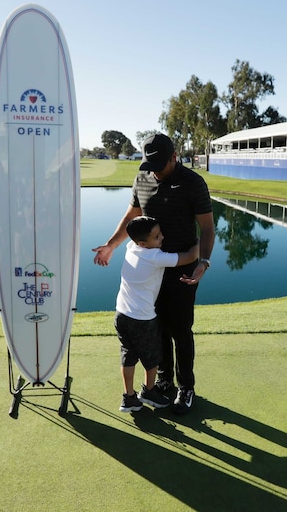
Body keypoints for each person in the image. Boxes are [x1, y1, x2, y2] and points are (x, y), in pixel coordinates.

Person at [93, 133, 215, 414]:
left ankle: (186, 387)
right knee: (156, 327)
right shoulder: (143, 179)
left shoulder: (193, 183)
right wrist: (111, 246)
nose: (156, 171)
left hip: (183, 267)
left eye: (161, 164)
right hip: (151, 271)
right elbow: (131, 219)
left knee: (180, 329)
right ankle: (164, 381)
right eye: (151, 164)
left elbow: (207, 228)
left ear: (175, 157)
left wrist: (203, 262)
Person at [114, 216, 199, 412]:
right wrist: (197, 241)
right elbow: (190, 257)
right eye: (157, 236)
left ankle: (129, 398)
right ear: (143, 243)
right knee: (152, 357)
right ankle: (149, 392)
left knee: (128, 355)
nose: (162, 237)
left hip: (121, 314)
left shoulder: (131, 247)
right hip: (142, 318)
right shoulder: (155, 257)